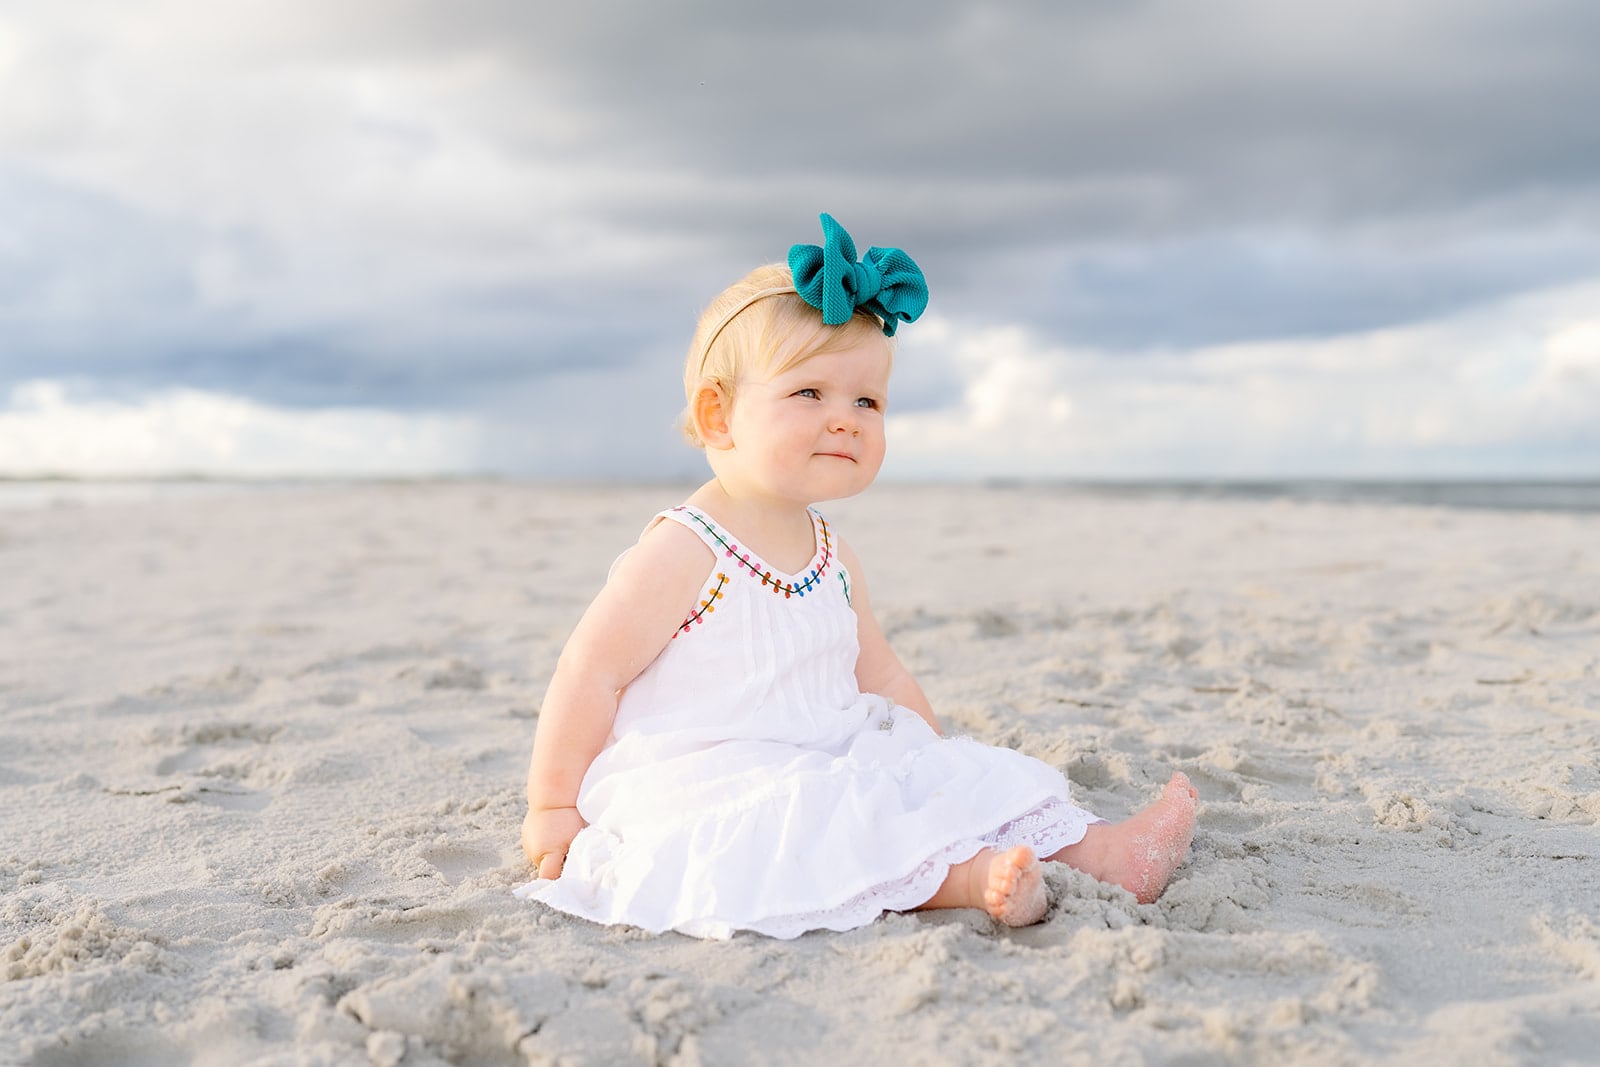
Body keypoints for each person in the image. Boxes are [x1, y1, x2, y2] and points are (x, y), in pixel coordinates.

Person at [516, 213, 1197, 939]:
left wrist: (937, 765)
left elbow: (884, 673)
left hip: (831, 747)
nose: (845, 420)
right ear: (719, 414)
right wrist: (553, 805)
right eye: (809, 393)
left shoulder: (831, 552)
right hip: (720, 773)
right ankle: (970, 881)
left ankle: (1107, 854)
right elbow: (589, 671)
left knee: (959, 777)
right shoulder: (687, 547)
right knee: (807, 819)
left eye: (866, 401)